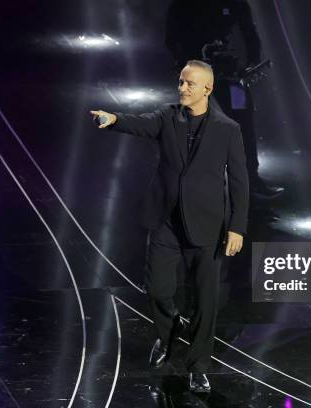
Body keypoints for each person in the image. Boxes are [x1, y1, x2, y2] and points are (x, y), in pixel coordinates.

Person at [90, 60, 249, 393]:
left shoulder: (227, 129)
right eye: (180, 82)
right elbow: (140, 123)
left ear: (208, 88)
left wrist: (237, 227)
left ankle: (198, 366)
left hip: (207, 226)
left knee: (206, 301)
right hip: (165, 222)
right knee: (158, 289)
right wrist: (115, 119)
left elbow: (239, 182)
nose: (182, 88)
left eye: (190, 84)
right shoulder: (167, 116)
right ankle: (169, 331)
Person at [165, 0, 284, 199]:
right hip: (195, 71)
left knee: (244, 120)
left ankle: (250, 180)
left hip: (228, 73)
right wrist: (188, 60)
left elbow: (250, 33)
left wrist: (252, 63)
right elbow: (171, 38)